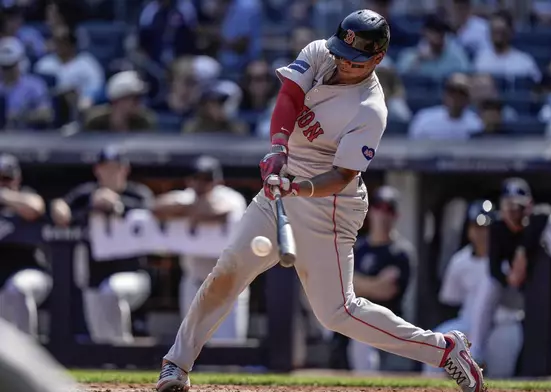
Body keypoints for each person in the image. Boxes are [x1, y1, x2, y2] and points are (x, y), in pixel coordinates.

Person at [156, 9, 485, 392]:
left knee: (336, 313)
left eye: (355, 59)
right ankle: (176, 365)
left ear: (377, 58)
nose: (343, 62)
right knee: (228, 270)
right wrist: (278, 149)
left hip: (328, 204)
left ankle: (445, 350)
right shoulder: (320, 53)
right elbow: (289, 97)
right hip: (280, 187)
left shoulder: (369, 109)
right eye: (341, 53)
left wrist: (297, 188)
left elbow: (342, 176)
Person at [50, 146, 154, 344]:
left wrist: (117, 205)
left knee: (112, 291)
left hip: (134, 274)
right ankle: (114, 369)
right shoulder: (86, 194)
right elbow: (63, 207)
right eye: (105, 168)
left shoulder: (138, 194)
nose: (110, 173)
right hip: (94, 275)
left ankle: (124, 354)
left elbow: (151, 213)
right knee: (100, 337)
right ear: (97, 170)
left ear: (125, 169)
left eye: (115, 168)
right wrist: (60, 206)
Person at [152, 156, 249, 343]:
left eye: (207, 179)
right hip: (194, 282)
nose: (201, 184)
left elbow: (221, 210)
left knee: (228, 348)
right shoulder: (186, 196)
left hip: (227, 283)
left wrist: (184, 212)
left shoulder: (230, 196)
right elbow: (156, 208)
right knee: (191, 347)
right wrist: (192, 208)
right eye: (196, 178)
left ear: (217, 181)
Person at [423, 200, 524, 378]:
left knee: (501, 376)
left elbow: (520, 298)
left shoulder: (509, 257)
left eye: (486, 227)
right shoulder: (460, 261)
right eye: (476, 226)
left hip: (503, 324)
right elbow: (450, 300)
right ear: (469, 230)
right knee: (435, 342)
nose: (481, 233)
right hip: (468, 325)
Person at [329, 186, 415, 372]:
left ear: (396, 215)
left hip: (388, 321)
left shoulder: (401, 253)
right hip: (353, 319)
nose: (383, 215)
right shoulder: (358, 248)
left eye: (388, 209)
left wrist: (356, 282)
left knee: (363, 340)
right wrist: (372, 283)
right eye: (379, 207)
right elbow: (339, 285)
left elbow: (387, 291)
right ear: (370, 211)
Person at [467, 178, 551, 364]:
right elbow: (494, 270)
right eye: (509, 206)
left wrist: (522, 251)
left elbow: (546, 213)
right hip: (509, 289)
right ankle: (476, 351)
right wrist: (510, 278)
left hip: (533, 295)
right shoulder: (497, 227)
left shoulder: (537, 221)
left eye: (518, 207)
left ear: (528, 206)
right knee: (488, 285)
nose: (513, 212)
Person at [0, 154, 49, 337]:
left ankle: (29, 352)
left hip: (32, 272)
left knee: (18, 288)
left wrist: (4, 195)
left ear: (17, 179)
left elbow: (35, 207)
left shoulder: (25, 195)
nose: (2, 183)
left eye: (6, 178)